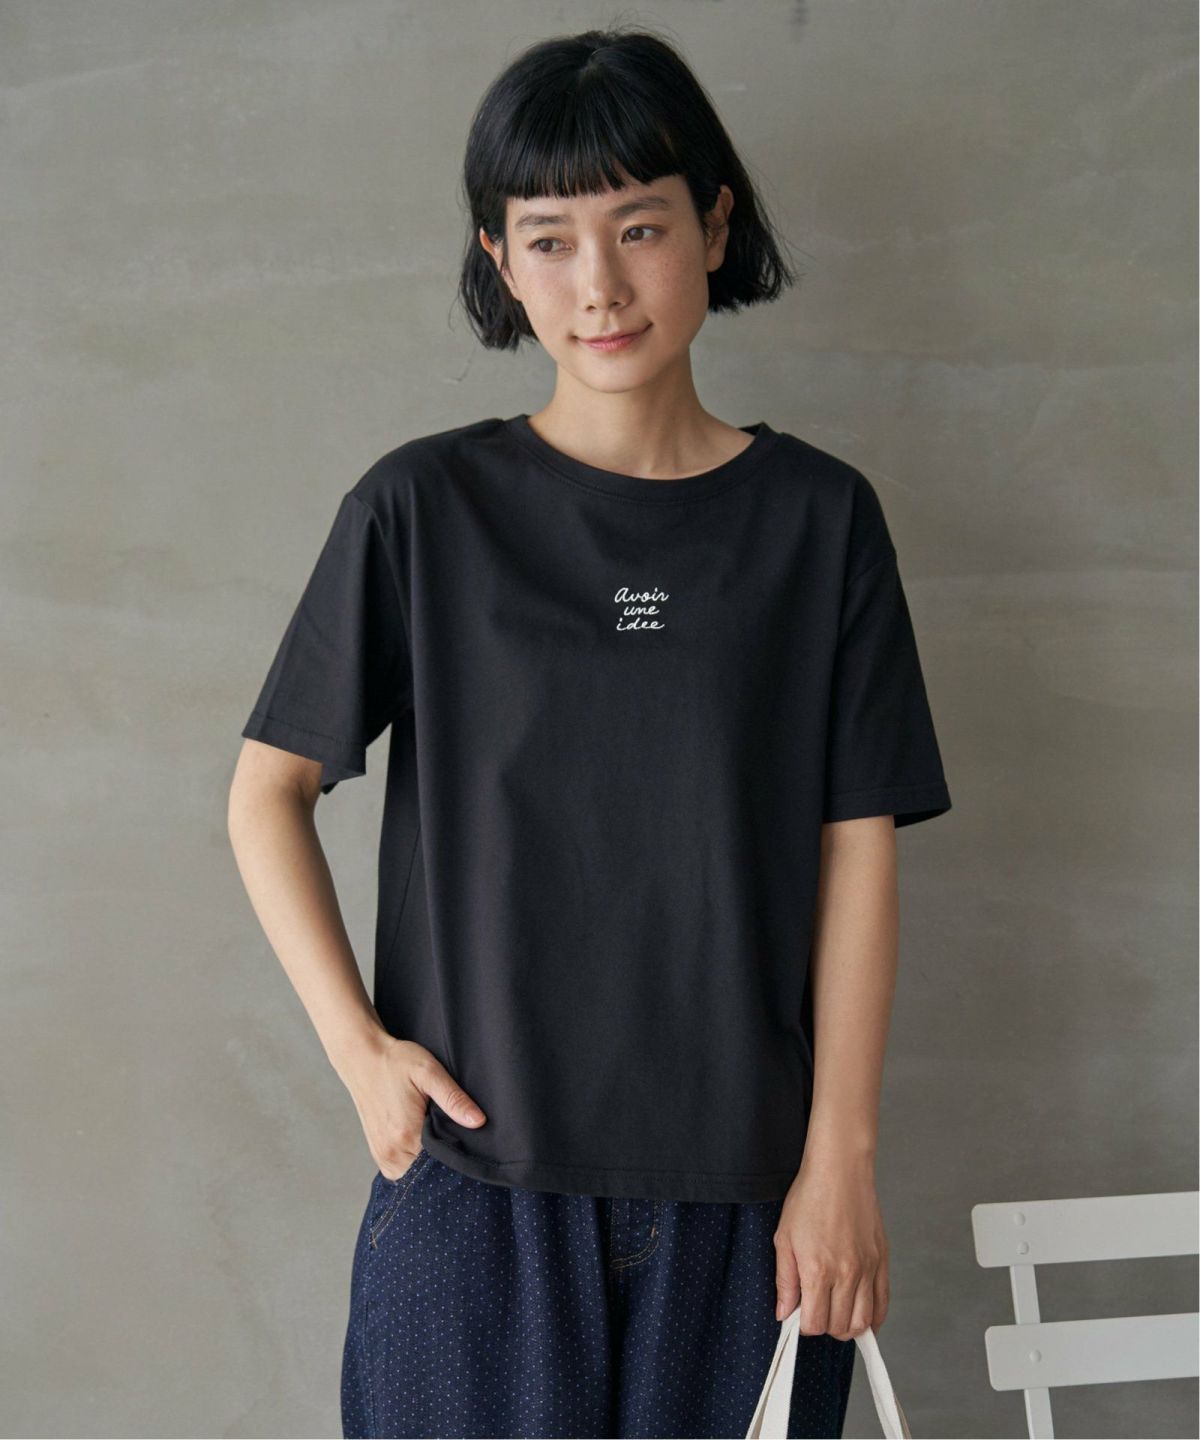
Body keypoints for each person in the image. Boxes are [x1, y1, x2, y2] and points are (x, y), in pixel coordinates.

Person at [228, 25, 952, 1440]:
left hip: (753, 1206)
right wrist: (359, 1053)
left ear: (715, 227)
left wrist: (843, 1161)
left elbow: (855, 850)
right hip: (474, 1198)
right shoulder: (422, 512)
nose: (600, 284)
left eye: (641, 227)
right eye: (549, 241)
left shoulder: (819, 522)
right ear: (499, 263)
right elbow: (266, 793)